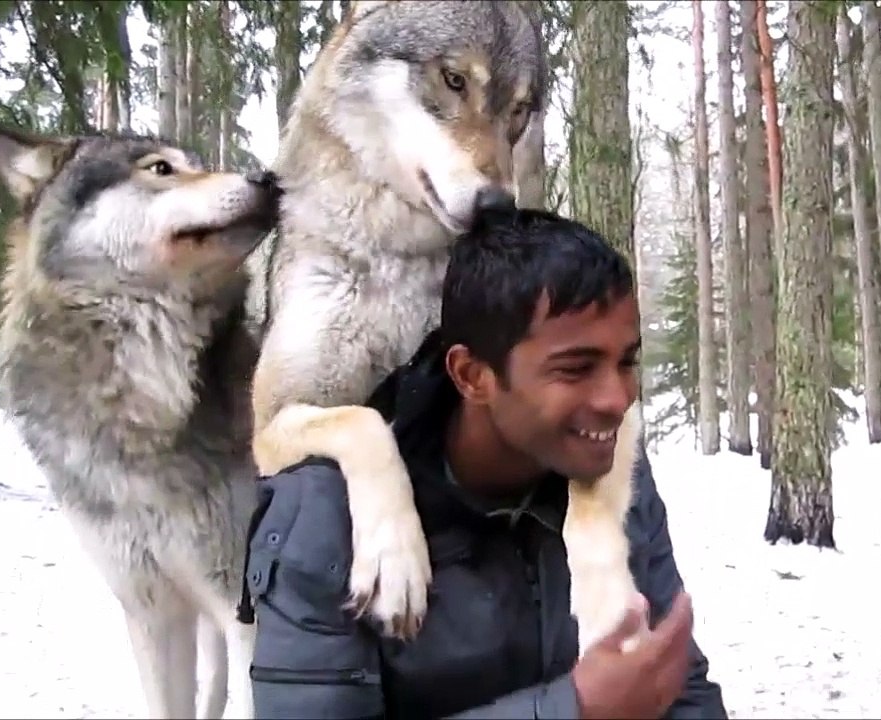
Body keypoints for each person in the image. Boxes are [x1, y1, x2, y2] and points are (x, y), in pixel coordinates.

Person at [241, 208, 728, 719]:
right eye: (576, 369)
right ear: (472, 375)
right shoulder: (323, 515)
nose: (617, 398)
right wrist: (573, 708)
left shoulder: (607, 466)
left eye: (627, 361)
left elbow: (679, 689)